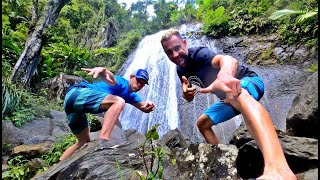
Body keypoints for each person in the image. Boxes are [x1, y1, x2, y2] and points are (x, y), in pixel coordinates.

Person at [161, 29, 296, 180]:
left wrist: (224, 74)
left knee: (237, 95)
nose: (174, 55)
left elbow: (228, 60)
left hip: (249, 82)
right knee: (202, 123)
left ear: (184, 43)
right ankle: (231, 172)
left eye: (177, 48)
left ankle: (280, 170)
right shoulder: (180, 70)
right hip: (229, 98)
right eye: (169, 52)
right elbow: (188, 96)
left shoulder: (198, 54)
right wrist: (187, 95)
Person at [59, 67, 155, 161]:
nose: (139, 84)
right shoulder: (122, 83)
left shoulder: (132, 96)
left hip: (73, 106)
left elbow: (143, 107)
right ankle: (103, 142)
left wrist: (148, 106)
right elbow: (111, 79)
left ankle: (56, 167)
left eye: (142, 84)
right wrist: (104, 72)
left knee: (83, 141)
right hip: (77, 93)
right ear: (131, 77)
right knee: (119, 102)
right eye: (138, 80)